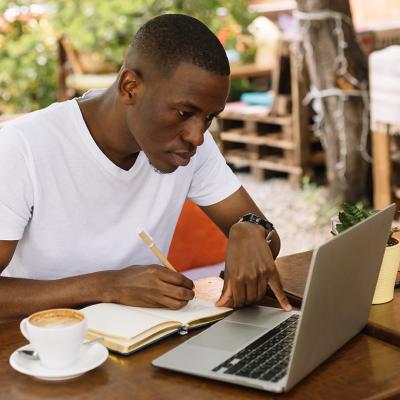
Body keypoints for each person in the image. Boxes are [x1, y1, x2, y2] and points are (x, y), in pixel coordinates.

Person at [0, 14, 291, 319]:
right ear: (130, 87)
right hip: (43, 349)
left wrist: (252, 229)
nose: (197, 135)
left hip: (139, 340)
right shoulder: (23, 148)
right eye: (183, 112)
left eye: (209, 118)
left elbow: (268, 239)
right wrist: (106, 286)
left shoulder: (189, 148)